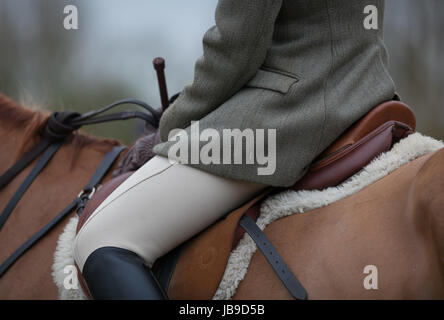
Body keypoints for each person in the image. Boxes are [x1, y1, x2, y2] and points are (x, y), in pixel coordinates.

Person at [73, 0, 396, 299]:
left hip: (294, 112)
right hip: (366, 92)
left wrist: (169, 130)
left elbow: (234, 49)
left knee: (99, 239)